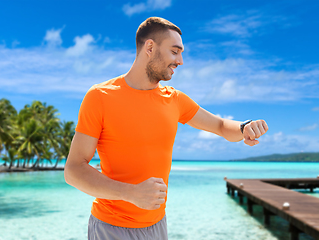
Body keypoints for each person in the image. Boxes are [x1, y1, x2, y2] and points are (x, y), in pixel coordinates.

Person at [64, 17, 268, 240]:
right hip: (111, 228)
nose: (180, 60)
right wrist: (130, 193)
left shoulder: (174, 100)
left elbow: (220, 125)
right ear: (150, 47)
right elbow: (74, 170)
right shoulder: (100, 97)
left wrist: (244, 127)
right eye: (174, 51)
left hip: (158, 225)